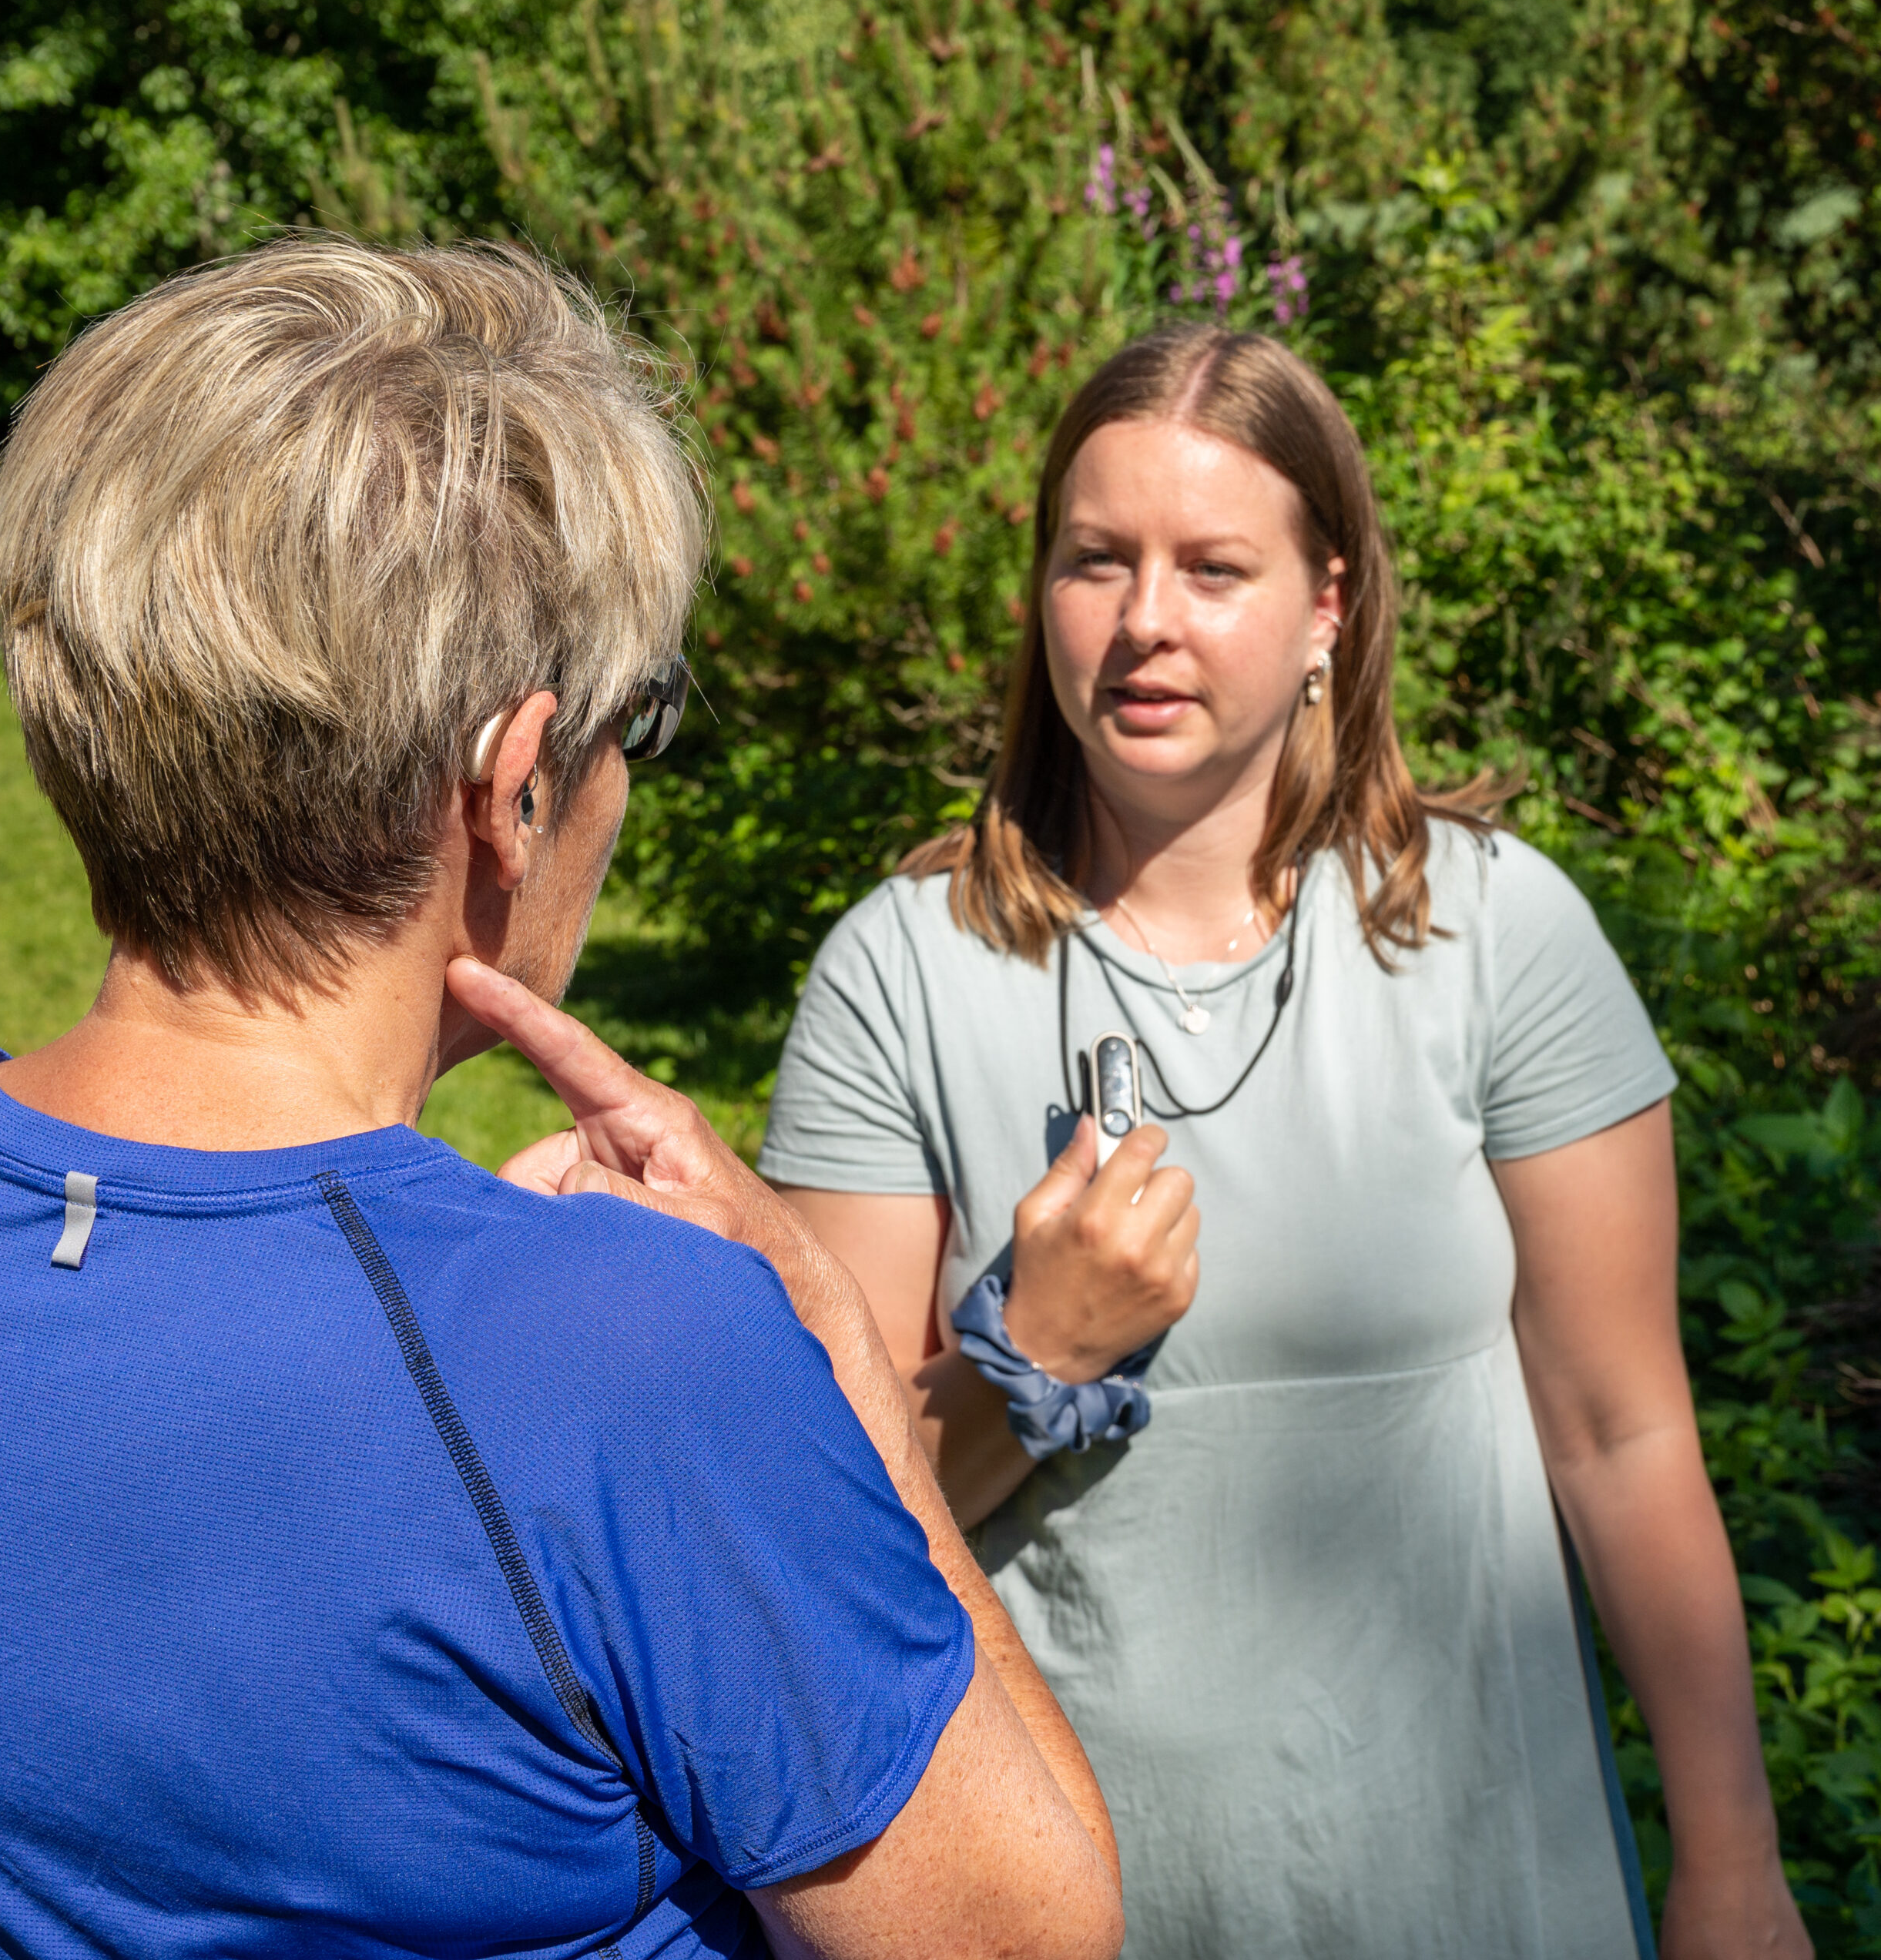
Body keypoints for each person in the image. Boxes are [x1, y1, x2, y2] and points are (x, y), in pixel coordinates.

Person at [0, 236, 1125, 1960]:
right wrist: (828, 1337)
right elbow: (1024, 1936)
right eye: (639, 718)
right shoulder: (633, 1357)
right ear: (509, 785)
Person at [759, 325, 1812, 1959]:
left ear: (1328, 605)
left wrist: (1729, 1867)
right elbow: (835, 1525)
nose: (1144, 622)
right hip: (1075, 1896)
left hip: (1480, 1883)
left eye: (1213, 567)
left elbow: (1620, 1434)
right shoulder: (901, 971)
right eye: (1094, 561)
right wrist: (1029, 1351)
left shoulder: (1494, 932)